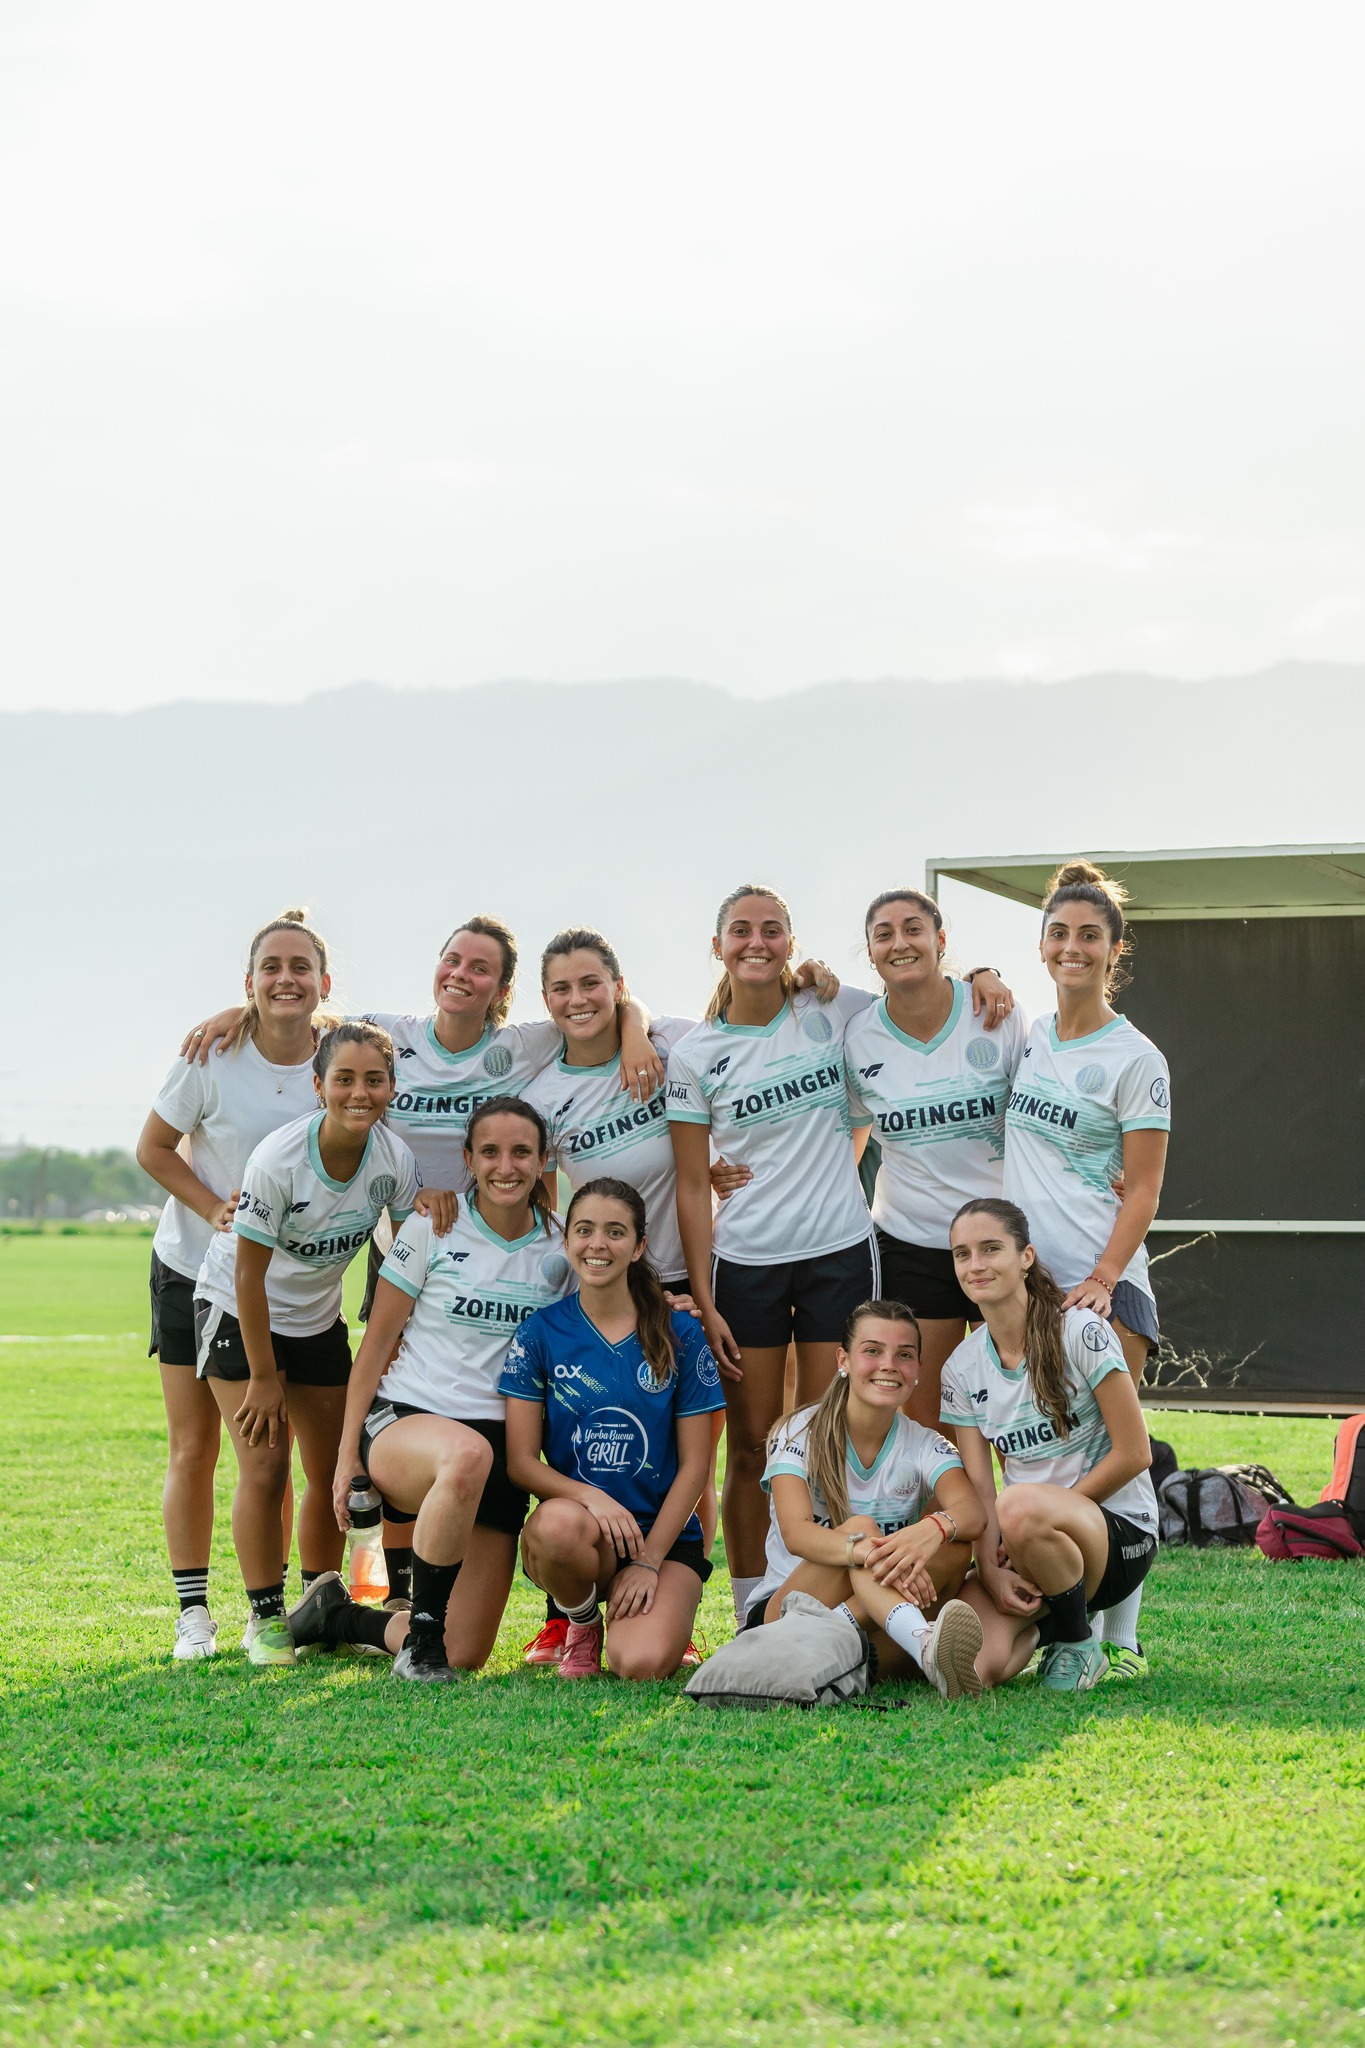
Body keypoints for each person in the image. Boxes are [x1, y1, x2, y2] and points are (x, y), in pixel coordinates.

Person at [180, 914, 660, 1611]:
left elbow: (602, 1008)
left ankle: (406, 1592)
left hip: (488, 1241)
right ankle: (358, 1589)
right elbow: (305, 1018)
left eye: (481, 968)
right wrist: (241, 1010)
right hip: (412, 1243)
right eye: (452, 960)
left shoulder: (520, 1045)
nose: (461, 975)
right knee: (398, 1398)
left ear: (503, 989)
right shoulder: (388, 1033)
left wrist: (637, 1028)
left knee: (466, 1404)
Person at [665, 883, 1008, 1627]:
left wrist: (982, 973)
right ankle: (752, 1611)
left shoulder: (835, 1007)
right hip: (746, 1264)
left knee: (832, 1438)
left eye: (772, 930)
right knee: (753, 1446)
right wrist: (706, 1296)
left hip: (841, 1254)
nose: (756, 942)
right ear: (717, 946)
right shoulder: (695, 1054)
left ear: (792, 943)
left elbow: (915, 984)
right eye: (740, 930)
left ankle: (844, 1607)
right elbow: (692, 1184)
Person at [288, 1096, 573, 1681]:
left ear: (544, 1158)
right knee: (467, 1454)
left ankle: (337, 1617)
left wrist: (669, 1307)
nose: (506, 1167)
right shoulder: (432, 1226)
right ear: (468, 1158)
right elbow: (376, 1346)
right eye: (489, 1152)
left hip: (501, 1452)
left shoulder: (564, 1247)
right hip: (407, 1422)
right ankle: (420, 1647)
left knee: (463, 1651)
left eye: (522, 1152)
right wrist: (346, 1457)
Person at [192, 1021, 427, 1667]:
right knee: (266, 1466)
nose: (359, 1093)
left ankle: (319, 1601)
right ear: (318, 1086)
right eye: (344, 1079)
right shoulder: (278, 1159)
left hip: (317, 1320)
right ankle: (266, 1618)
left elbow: (406, 1253)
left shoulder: (393, 1160)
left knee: (332, 1471)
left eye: (373, 1079)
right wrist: (264, 1376)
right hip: (238, 1311)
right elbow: (247, 1275)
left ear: (391, 1086)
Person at [136, 908, 332, 1660]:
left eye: (300, 967)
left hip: (275, 1292)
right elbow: (155, 1148)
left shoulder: (336, 1056)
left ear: (323, 981)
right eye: (270, 968)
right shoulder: (210, 1054)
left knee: (267, 1451)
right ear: (247, 981)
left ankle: (266, 1610)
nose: (286, 979)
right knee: (194, 1447)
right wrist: (215, 1208)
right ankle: (193, 1614)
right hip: (190, 1268)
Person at [1003, 858, 1170, 1676]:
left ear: (1113, 949)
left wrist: (1103, 1276)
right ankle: (1071, 1629)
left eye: (1089, 936)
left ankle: (1121, 1640)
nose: (1072, 947)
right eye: (1058, 934)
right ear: (1041, 945)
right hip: (1030, 1288)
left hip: (1104, 1286)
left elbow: (1142, 1188)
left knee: (1110, 1451)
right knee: (1055, 1454)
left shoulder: (1136, 1056)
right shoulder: (1031, 1036)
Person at [501, 1177, 726, 1680]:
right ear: (567, 1241)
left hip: (663, 1539)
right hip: (586, 1534)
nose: (597, 1244)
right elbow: (520, 1463)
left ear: (639, 1245)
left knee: (641, 1664)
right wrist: (591, 1498)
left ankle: (665, 1612)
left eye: (615, 1232)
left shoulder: (680, 1331)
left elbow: (697, 1466)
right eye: (584, 1230)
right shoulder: (539, 1333)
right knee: (553, 1528)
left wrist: (649, 1560)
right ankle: (581, 1623)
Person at [944, 1198, 1158, 1692]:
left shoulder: (1080, 1329)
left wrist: (1040, 1520)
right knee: (978, 1667)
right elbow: (980, 1487)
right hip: (1028, 1542)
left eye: (990, 1249)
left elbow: (1135, 1453)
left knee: (1018, 1505)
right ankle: (1051, 1628)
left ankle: (1081, 1642)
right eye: (962, 1254)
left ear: (1026, 1256)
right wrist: (991, 1568)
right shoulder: (960, 1367)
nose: (975, 1265)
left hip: (1118, 1535)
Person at [845, 889, 1028, 1433]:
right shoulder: (858, 1037)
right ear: (871, 952)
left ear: (939, 939)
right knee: (932, 1422)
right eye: (884, 935)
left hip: (1001, 1240)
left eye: (913, 929)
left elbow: (1043, 1115)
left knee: (1018, 1415)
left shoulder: (995, 1012)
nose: (899, 943)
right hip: (912, 1244)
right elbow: (849, 1137)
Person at [743, 1299, 988, 1698]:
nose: (888, 1364)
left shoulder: (925, 1443)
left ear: (918, 1368)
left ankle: (852, 1663)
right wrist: (872, 1551)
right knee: (860, 1529)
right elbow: (796, 1534)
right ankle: (921, 1643)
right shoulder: (798, 1431)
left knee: (955, 1547)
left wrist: (931, 1529)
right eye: (873, 1350)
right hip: (785, 1617)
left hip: (869, 1622)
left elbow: (972, 1512)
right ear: (843, 1360)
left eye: (904, 1355)